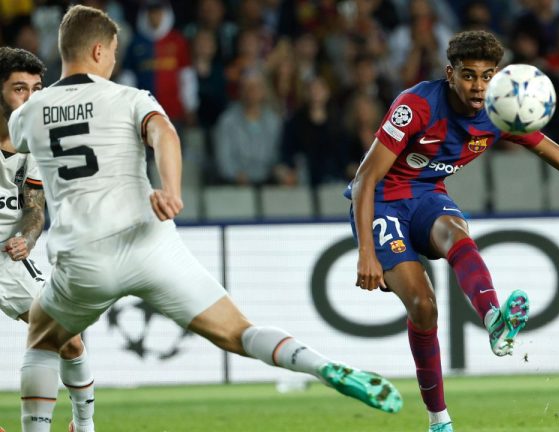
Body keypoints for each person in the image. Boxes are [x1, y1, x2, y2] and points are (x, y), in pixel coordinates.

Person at [10, 6, 402, 432]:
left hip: (84, 259)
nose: (116, 60)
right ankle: (321, 366)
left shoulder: (27, 113)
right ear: (100, 50)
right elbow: (165, 133)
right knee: (238, 332)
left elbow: (18, 151)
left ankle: (63, 426)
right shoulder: (129, 97)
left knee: (43, 340)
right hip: (150, 244)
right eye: (115, 52)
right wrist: (172, 190)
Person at [347, 30, 559, 432]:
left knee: (456, 233)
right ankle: (439, 421)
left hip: (428, 195)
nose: (478, 86)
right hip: (383, 200)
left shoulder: (501, 111)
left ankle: (493, 320)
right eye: (468, 75)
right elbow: (366, 180)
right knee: (423, 307)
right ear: (449, 73)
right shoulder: (415, 106)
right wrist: (367, 250)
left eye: (487, 76)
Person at [0, 46, 95, 432]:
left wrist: (27, 236)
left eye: (37, 89)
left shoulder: (34, 143)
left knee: (67, 338)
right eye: (19, 89)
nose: (31, 99)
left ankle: (83, 425)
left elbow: (35, 208)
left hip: (8, 258)